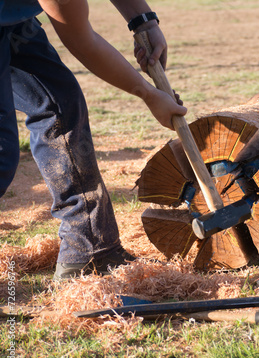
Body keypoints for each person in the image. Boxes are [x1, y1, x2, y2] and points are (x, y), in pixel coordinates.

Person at [0, 0, 187, 279]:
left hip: (11, 23)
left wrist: (144, 20)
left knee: (59, 105)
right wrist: (148, 95)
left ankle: (88, 250)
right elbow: (81, 40)